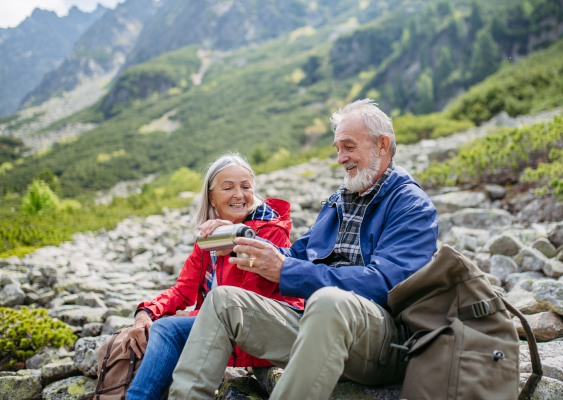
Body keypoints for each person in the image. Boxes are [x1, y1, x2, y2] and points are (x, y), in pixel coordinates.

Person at [168, 99, 439, 400]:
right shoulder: (341, 199)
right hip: (319, 325)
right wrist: (243, 242)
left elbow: (388, 285)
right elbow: (298, 253)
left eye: (348, 147)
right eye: (337, 148)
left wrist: (289, 270)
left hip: (382, 344)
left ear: (382, 145)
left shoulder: (411, 205)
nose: (340, 158)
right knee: (222, 302)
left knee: (328, 301)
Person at [124, 153, 304, 400]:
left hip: (265, 326)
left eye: (246, 187)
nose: (239, 195)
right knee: (160, 326)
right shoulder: (209, 237)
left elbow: (253, 297)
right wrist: (146, 312)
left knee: (168, 330)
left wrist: (236, 242)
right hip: (224, 326)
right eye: (228, 187)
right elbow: (182, 290)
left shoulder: (270, 233)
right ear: (211, 196)